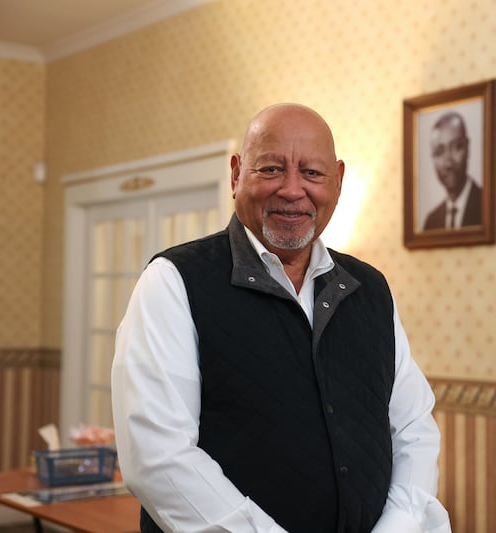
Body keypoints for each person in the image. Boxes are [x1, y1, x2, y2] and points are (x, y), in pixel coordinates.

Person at [111, 103, 451, 533]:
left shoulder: (372, 289)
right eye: (271, 169)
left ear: (338, 181)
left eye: (312, 173)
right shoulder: (173, 282)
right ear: (236, 174)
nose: (292, 190)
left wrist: (397, 527)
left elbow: (413, 430)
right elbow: (159, 460)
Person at [422, 111, 482, 231]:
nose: (448, 163)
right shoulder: (431, 222)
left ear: (467, 148)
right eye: (439, 152)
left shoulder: (486, 206)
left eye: (456, 147)